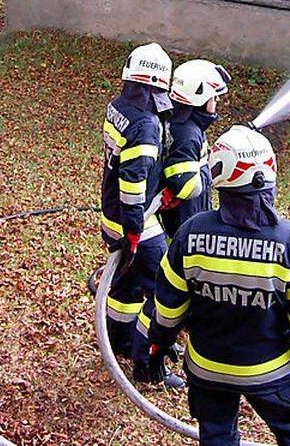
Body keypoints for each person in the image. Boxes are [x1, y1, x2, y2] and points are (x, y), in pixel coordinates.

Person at [148, 125, 290, 445]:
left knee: (217, 434)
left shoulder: (191, 233)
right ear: (269, 175)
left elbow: (169, 303)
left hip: (207, 369)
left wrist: (159, 342)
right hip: (270, 372)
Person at [100, 42, 184, 389]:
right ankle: (148, 365)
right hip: (136, 222)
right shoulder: (146, 124)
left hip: (112, 214)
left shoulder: (119, 106)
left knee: (125, 284)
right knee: (161, 291)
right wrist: (135, 230)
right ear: (158, 83)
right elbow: (133, 180)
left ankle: (118, 338)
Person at [160, 59, 231, 238]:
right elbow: (186, 187)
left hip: (181, 213)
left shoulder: (178, 120)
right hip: (187, 214)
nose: (217, 99)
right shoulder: (188, 134)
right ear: (199, 97)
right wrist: (210, 173)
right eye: (214, 95)